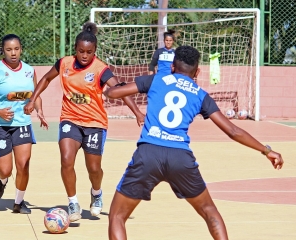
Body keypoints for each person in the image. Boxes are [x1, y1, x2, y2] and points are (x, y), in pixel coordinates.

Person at [104, 45, 284, 240]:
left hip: (149, 153)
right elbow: (233, 131)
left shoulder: (157, 80)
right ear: (197, 71)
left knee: (117, 216)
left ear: (172, 66)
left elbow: (113, 94)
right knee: (209, 210)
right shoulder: (200, 95)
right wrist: (266, 151)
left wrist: (113, 88)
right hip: (180, 157)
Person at [24, 22, 145, 222]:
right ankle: (73, 202)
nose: (84, 55)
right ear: (75, 50)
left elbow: (121, 89)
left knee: (94, 168)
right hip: (70, 119)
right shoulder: (64, 64)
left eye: (89, 52)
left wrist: (137, 112)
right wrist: (32, 99)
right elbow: (45, 79)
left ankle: (96, 193)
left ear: (95, 51)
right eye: (81, 51)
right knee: (66, 159)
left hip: (95, 123)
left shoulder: (101, 69)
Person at [0, 34, 48, 214]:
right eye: (9, 50)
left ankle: (18, 202)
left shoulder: (30, 70)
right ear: (4, 51)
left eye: (16, 49)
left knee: (24, 164)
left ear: (21, 49)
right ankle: (2, 180)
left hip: (22, 124)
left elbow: (35, 95)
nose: (13, 53)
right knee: (6, 169)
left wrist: (40, 111)